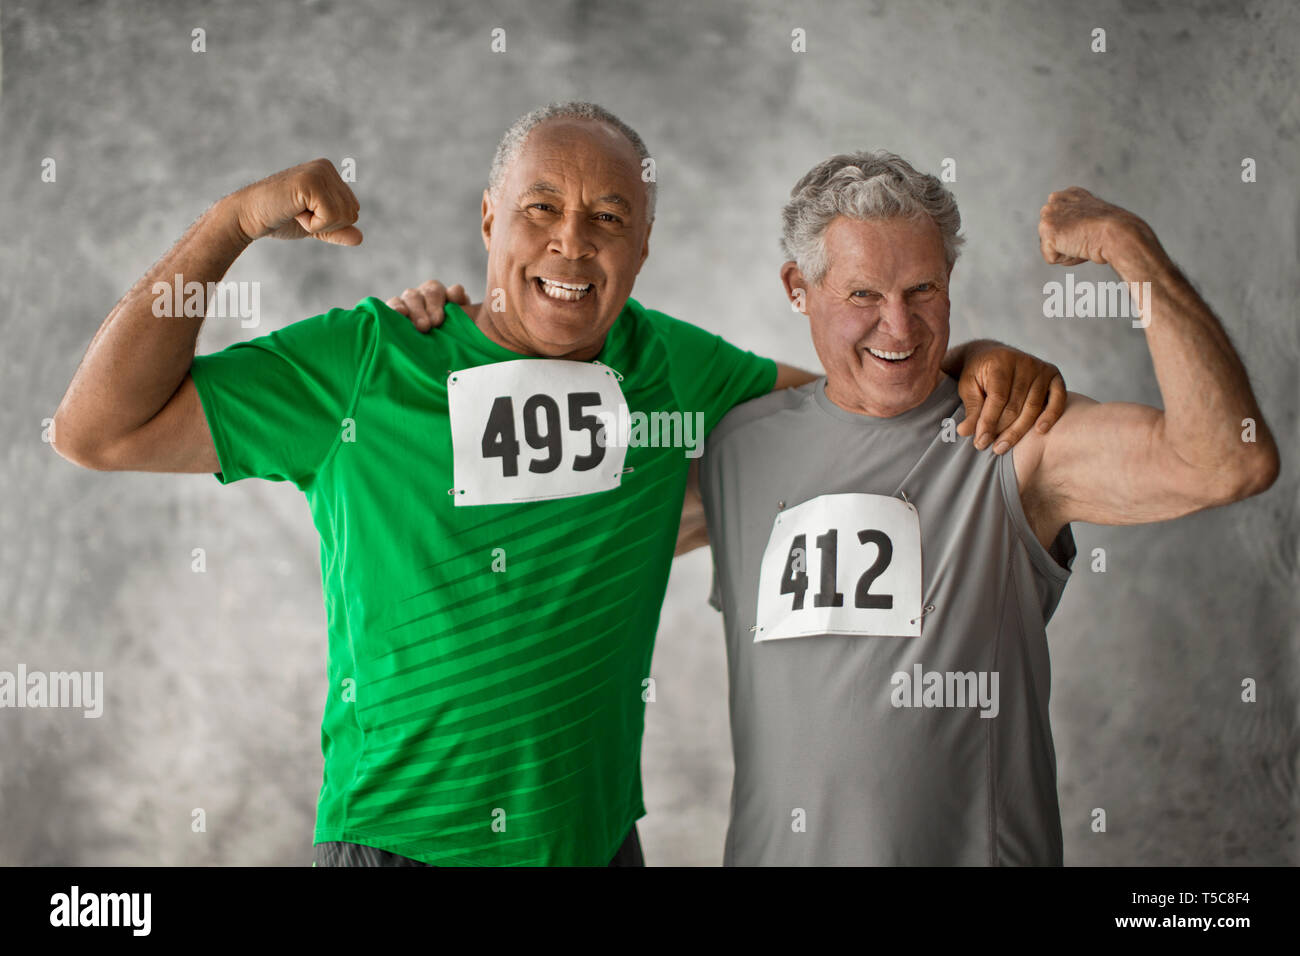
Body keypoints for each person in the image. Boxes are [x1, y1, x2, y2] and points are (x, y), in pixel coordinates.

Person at [51, 104, 1063, 866]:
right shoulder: (372, 358)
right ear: (488, 219)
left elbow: (861, 406)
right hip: (402, 847)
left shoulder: (668, 364)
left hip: (596, 848)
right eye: (541, 208)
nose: (572, 242)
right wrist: (232, 222)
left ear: (641, 249)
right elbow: (98, 429)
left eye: (609, 218)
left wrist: (969, 355)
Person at [691, 151, 1278, 864]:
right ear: (798, 287)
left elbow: (1229, 460)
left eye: (923, 289)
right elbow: (569, 527)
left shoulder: (1014, 438)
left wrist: (1130, 247)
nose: (900, 329)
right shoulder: (737, 447)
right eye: (864, 296)